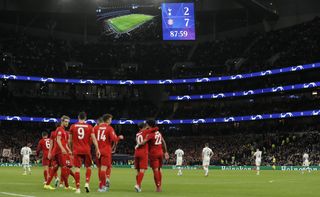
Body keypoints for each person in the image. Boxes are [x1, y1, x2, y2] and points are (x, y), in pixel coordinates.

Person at [69, 112, 100, 194]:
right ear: (85, 118)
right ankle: (86, 183)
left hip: (76, 150)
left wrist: (70, 149)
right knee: (88, 167)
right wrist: (97, 149)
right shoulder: (89, 127)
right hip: (86, 150)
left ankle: (78, 188)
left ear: (78, 117)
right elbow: (94, 139)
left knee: (77, 169)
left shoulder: (73, 126)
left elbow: (70, 140)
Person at [136, 119, 169, 192]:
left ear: (149, 125)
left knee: (155, 170)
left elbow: (143, 142)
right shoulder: (158, 133)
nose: (146, 125)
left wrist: (138, 145)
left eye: (147, 124)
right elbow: (163, 141)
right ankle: (159, 185)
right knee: (159, 169)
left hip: (154, 153)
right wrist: (166, 152)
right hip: (160, 152)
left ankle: (158, 187)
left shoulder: (150, 134)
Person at [93, 114, 124, 192]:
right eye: (110, 119)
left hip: (98, 151)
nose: (111, 121)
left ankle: (101, 185)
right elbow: (114, 139)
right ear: (107, 120)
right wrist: (119, 137)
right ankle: (103, 186)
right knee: (104, 169)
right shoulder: (109, 128)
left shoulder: (96, 128)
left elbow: (92, 139)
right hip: (106, 151)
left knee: (100, 169)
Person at [44, 115, 75, 190]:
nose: (67, 123)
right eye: (66, 121)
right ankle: (66, 186)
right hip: (59, 152)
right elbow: (58, 140)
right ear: (62, 121)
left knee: (55, 168)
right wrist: (63, 149)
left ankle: (47, 184)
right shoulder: (60, 129)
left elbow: (64, 143)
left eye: (68, 122)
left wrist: (68, 150)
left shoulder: (63, 130)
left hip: (58, 151)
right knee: (65, 168)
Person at [134, 122, 158, 192]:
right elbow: (156, 128)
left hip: (136, 152)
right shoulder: (146, 131)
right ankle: (138, 185)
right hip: (143, 152)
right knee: (142, 170)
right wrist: (148, 127)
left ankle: (139, 186)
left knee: (138, 171)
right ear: (144, 127)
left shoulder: (137, 134)